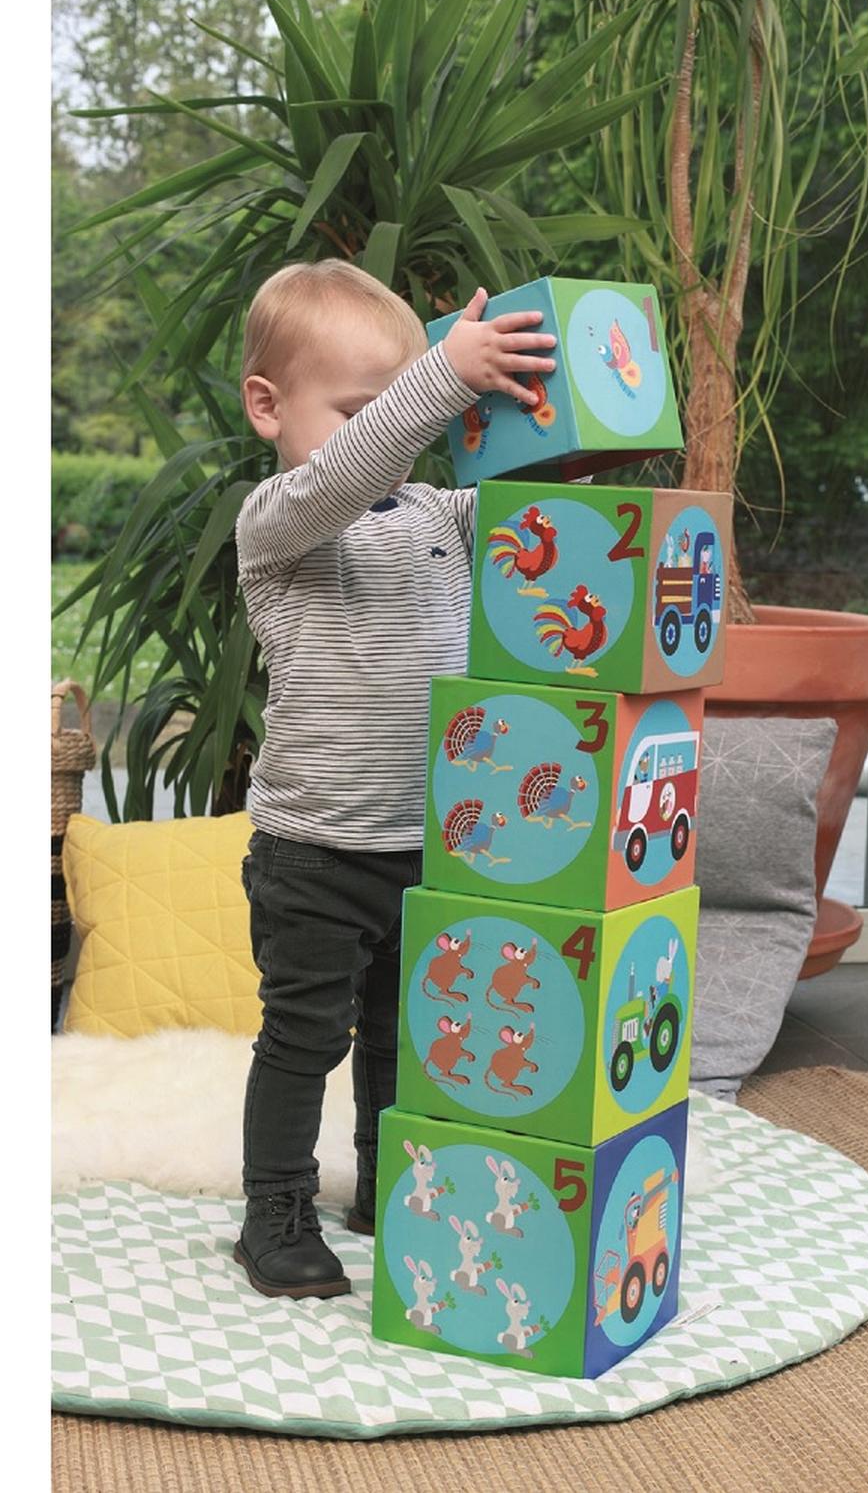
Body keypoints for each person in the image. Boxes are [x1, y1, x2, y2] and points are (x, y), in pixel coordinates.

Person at [232, 260, 557, 1298]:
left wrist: (557, 418)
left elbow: (532, 517)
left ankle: (392, 1184)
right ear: (268, 407)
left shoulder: (435, 516)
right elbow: (351, 470)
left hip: (430, 844)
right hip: (316, 852)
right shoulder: (279, 520)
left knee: (405, 1037)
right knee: (303, 1039)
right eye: (358, 409)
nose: (392, 433)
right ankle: (275, 1211)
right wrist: (442, 378)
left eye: (403, 404)